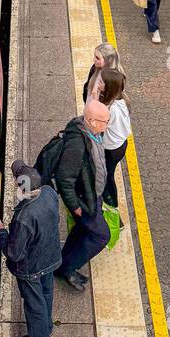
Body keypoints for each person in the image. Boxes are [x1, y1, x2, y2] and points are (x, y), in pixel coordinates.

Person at [0, 161, 62, 337]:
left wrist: (0, 230)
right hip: (51, 256)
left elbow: (13, 253)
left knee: (34, 304)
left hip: (31, 267)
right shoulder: (48, 192)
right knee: (46, 293)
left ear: (20, 187)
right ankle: (46, 327)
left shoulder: (24, 217)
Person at [54, 99, 113, 291]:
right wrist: (74, 205)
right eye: (105, 121)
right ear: (93, 121)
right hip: (84, 201)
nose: (107, 125)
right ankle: (67, 268)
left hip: (91, 196)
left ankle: (62, 262)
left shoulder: (91, 132)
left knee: (82, 231)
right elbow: (65, 178)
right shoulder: (76, 144)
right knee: (101, 236)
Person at [98, 68, 131, 211]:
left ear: (109, 87)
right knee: (107, 174)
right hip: (121, 144)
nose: (97, 83)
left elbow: (97, 128)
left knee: (107, 177)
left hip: (111, 149)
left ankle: (112, 207)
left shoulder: (109, 109)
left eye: (100, 81)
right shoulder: (122, 99)